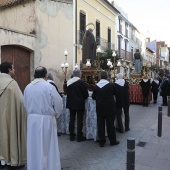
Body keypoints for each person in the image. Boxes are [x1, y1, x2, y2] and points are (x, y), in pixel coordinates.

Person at [24, 66, 63, 170]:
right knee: (48, 147)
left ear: (34, 75)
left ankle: (35, 166)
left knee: (34, 146)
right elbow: (58, 103)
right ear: (46, 76)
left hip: (32, 120)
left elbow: (25, 103)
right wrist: (56, 115)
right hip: (47, 120)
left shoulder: (28, 87)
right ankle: (50, 167)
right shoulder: (49, 86)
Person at [0, 62, 27, 168]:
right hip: (10, 117)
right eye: (13, 68)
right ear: (9, 70)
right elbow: (21, 101)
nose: (14, 70)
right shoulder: (12, 83)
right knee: (10, 134)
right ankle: (11, 160)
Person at [92, 71, 119, 147]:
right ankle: (112, 141)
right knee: (110, 124)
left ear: (100, 77)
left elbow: (93, 97)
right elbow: (116, 92)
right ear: (107, 77)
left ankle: (101, 141)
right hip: (110, 108)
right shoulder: (110, 85)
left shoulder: (96, 86)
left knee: (100, 124)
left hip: (100, 108)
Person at [66, 69, 88, 142]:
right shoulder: (81, 82)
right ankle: (79, 136)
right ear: (79, 74)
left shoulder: (68, 82)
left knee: (71, 120)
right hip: (79, 103)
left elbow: (66, 92)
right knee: (79, 120)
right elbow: (85, 94)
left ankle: (71, 136)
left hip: (71, 103)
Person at [47, 72, 62, 136]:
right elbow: (56, 96)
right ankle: (55, 131)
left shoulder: (45, 84)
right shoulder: (52, 84)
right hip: (52, 104)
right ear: (51, 77)